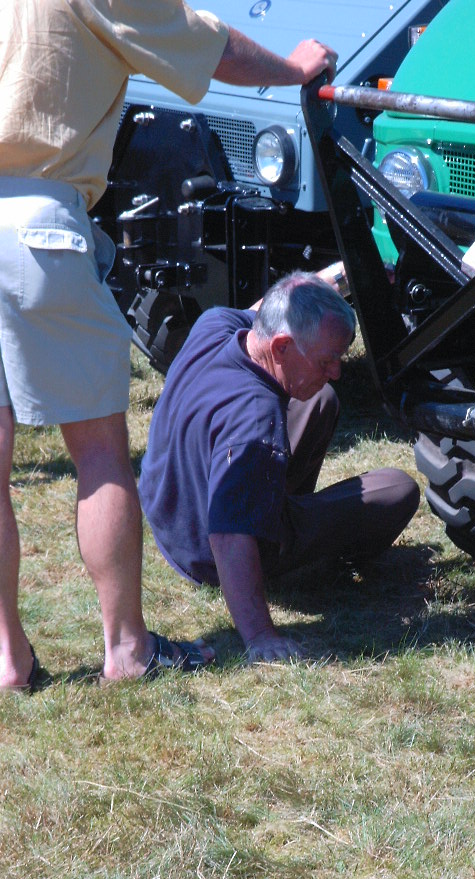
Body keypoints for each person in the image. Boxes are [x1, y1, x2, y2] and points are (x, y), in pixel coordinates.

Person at [0, 0, 339, 691]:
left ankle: (8, 660)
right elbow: (211, 48)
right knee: (97, 448)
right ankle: (127, 650)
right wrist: (294, 68)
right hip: (39, 219)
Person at [138, 270, 420, 663]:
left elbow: (270, 306)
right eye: (329, 359)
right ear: (283, 345)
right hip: (209, 555)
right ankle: (297, 561)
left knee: (321, 401)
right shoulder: (255, 426)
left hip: (170, 513)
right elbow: (229, 538)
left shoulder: (214, 324)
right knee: (398, 489)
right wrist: (260, 636)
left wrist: (344, 272)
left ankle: (271, 505)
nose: (337, 370)